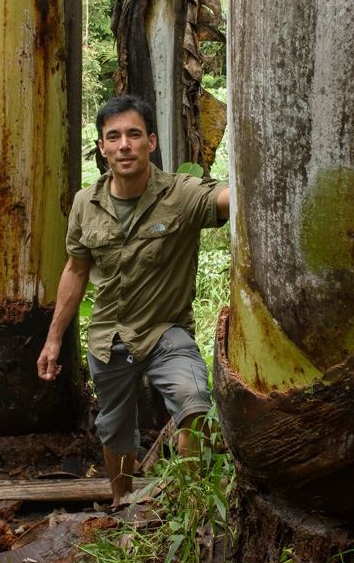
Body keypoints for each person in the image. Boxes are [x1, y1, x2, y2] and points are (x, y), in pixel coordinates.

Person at [36, 93, 230, 505]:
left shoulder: (180, 193)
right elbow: (75, 271)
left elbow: (223, 199)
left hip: (165, 332)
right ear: (102, 147)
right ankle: (123, 505)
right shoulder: (85, 204)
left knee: (194, 404)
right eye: (114, 136)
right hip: (109, 337)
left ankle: (190, 507)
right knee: (115, 428)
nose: (124, 144)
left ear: (151, 143)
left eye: (134, 134)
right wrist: (53, 340)